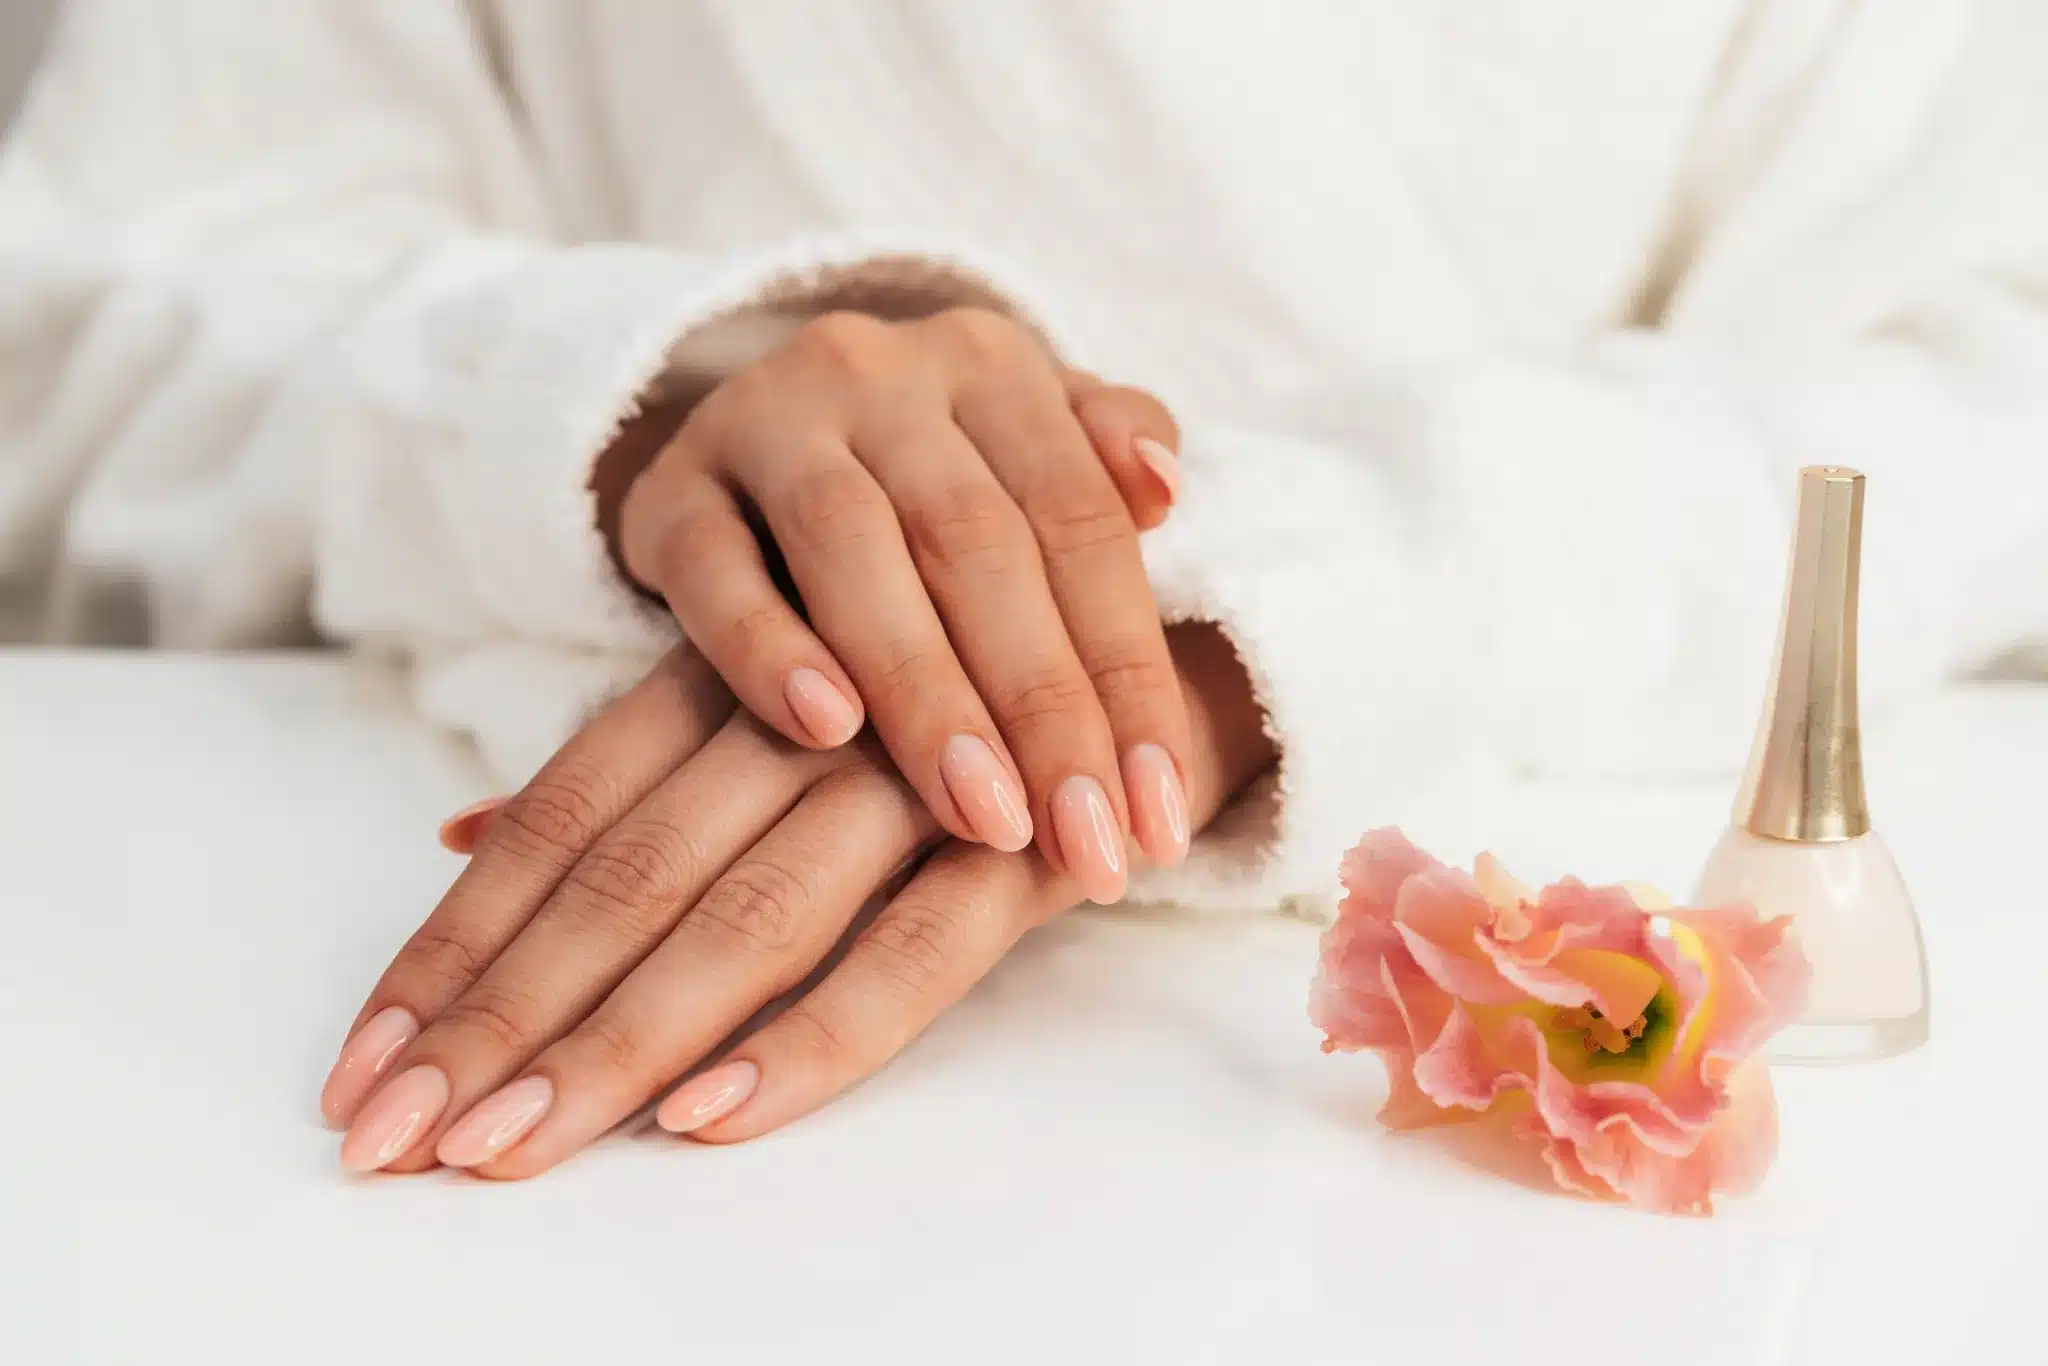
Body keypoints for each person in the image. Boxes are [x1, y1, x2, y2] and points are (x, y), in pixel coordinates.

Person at [2, 2, 2044, 1179]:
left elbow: (1980, 363)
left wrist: (1266, 603)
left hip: (1450, 1091)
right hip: (484, 939)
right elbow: (81, 317)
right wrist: (642, 399)